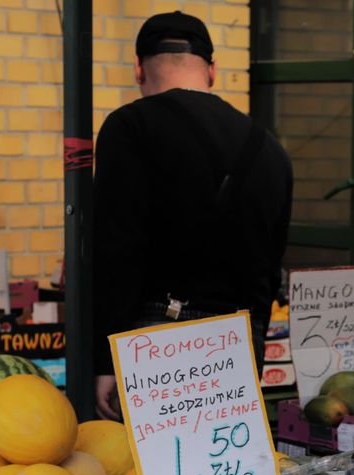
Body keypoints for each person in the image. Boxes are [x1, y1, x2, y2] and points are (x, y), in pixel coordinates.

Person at [92, 11, 293, 419]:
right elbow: (271, 269)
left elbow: (117, 249)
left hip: (161, 339)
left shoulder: (130, 128)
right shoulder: (270, 149)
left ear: (138, 69)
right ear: (213, 70)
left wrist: (104, 355)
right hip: (240, 341)